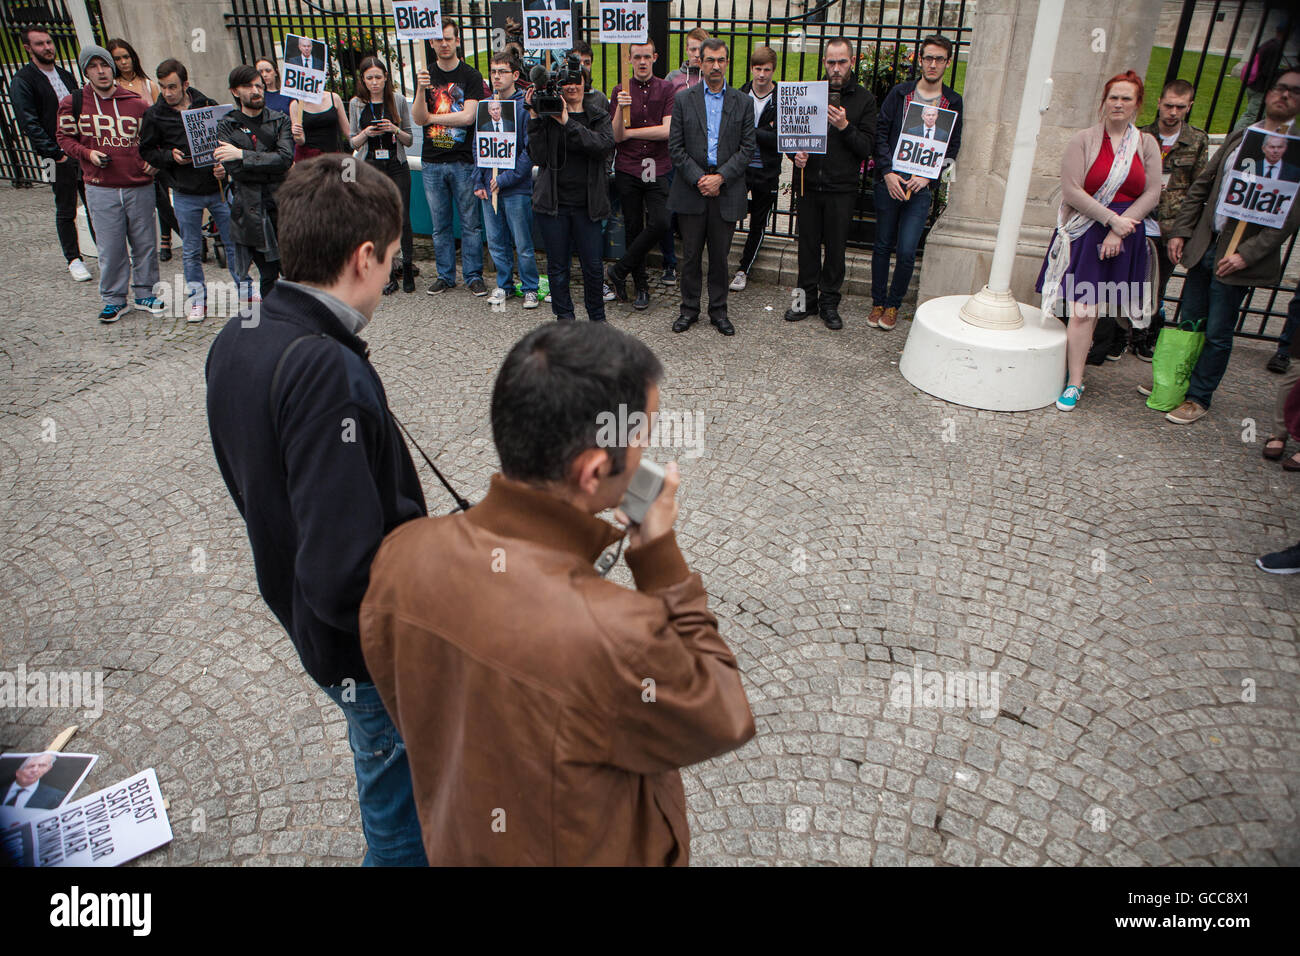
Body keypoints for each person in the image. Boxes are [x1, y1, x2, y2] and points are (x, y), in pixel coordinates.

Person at [359, 322, 756, 866]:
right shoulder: (616, 635)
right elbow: (724, 711)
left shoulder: (400, 555)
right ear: (593, 470)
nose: (645, 456)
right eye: (642, 438)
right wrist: (659, 557)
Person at [206, 154, 428, 867]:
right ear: (364, 256)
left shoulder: (241, 331)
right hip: (364, 654)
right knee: (402, 818)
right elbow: (344, 574)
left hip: (308, 623)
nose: (392, 276)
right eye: (392, 259)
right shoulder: (325, 369)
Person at [1163, 68, 1300, 425]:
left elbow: (1288, 218)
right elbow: (1202, 186)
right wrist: (1182, 231)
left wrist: (1246, 255)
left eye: (1295, 92)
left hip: (1237, 256)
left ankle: (1198, 396)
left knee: (1218, 331)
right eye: (1280, 88)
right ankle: (1174, 383)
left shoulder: (1296, 150)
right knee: (1189, 321)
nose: (1285, 95)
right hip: (1206, 244)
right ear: (1268, 93)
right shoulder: (1242, 136)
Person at [1036, 70, 1160, 412]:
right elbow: (1072, 190)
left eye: (1126, 98)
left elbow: (1152, 191)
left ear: (1137, 104)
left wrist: (1119, 229)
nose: (1118, 104)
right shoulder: (1084, 139)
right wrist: (1110, 221)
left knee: (1098, 310)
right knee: (1082, 310)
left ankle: (1074, 372)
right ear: (1103, 102)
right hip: (1086, 231)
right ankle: (1074, 382)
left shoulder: (1147, 144)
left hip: (1125, 234)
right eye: (1113, 97)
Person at [56, 44, 164, 324]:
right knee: (110, 246)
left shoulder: (137, 103)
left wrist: (155, 161)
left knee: (145, 243)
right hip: (100, 186)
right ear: (85, 71)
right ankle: (114, 299)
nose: (101, 71)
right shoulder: (73, 103)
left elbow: (156, 140)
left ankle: (146, 293)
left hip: (138, 184)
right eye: (93, 66)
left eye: (104, 64)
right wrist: (87, 154)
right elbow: (64, 139)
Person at [138, 57, 241, 323]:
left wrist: (224, 167)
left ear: (185, 84)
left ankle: (245, 291)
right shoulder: (154, 115)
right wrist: (169, 156)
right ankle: (198, 301)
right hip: (184, 191)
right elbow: (146, 150)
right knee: (192, 249)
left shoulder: (207, 105)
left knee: (234, 242)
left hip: (216, 186)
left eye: (172, 86)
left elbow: (226, 139)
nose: (168, 93)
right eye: (163, 87)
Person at [784, 38, 876, 331]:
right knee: (806, 248)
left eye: (842, 62)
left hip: (842, 187)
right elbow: (792, 133)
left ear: (852, 62)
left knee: (835, 250)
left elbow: (866, 148)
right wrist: (794, 154)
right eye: (831, 62)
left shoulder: (864, 100)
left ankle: (829, 304)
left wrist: (845, 128)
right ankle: (803, 302)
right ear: (824, 62)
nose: (836, 68)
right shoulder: (810, 93)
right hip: (809, 183)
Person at [870, 35, 961, 332]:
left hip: (920, 187)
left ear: (948, 63)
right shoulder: (900, 94)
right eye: (928, 58)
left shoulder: (952, 102)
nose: (933, 64)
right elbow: (880, 132)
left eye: (939, 59)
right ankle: (878, 301)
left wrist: (930, 176)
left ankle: (894, 304)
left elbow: (952, 147)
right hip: (892, 181)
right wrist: (886, 172)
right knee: (883, 243)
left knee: (907, 249)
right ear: (920, 60)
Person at [667, 39, 755, 337]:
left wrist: (721, 178)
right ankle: (689, 309)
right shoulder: (683, 100)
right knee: (690, 255)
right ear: (699, 63)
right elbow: (676, 148)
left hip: (726, 189)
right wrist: (699, 179)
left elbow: (747, 149)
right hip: (692, 188)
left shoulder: (742, 102)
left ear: (727, 62)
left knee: (720, 256)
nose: (715, 66)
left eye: (720, 60)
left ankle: (718, 310)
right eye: (709, 60)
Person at [527, 64, 614, 322]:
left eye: (577, 81)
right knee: (557, 267)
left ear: (585, 83)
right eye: (566, 82)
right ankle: (564, 318)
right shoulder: (546, 114)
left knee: (593, 267)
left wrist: (566, 122)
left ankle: (597, 319)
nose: (572, 86)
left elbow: (601, 146)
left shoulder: (598, 116)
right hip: (554, 205)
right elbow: (538, 157)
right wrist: (534, 117)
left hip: (588, 206)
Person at [9, 25, 92, 282]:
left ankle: (107, 249)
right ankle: (74, 258)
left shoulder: (66, 75)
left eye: (48, 42)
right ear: (28, 48)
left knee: (94, 202)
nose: (47, 47)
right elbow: (28, 122)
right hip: (55, 156)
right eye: (40, 44)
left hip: (80, 150)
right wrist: (55, 154)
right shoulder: (23, 80)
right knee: (65, 205)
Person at [1132, 79, 1208, 361]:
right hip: (1139, 219)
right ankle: (1120, 334)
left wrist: (1184, 231)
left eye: (1180, 107)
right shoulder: (1140, 135)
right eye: (1168, 105)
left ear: (1189, 106)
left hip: (1170, 226)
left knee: (1157, 284)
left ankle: (1144, 336)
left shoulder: (1196, 140)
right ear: (1159, 103)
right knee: (1128, 279)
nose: (1173, 112)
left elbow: (1199, 188)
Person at [414, 19, 486, 297]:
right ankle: (445, 275)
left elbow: (468, 117)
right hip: (432, 161)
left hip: (462, 160)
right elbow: (417, 117)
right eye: (438, 40)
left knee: (470, 223)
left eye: (448, 39)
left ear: (457, 41)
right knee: (439, 225)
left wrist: (432, 117)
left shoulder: (470, 76)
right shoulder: (425, 76)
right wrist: (421, 90)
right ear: (431, 43)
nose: (444, 44)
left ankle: (473, 275)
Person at [213, 66, 294, 299]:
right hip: (251, 210)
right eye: (249, 86)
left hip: (282, 205)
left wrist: (242, 155)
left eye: (259, 85)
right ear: (235, 91)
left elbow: (285, 159)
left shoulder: (280, 120)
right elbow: (236, 171)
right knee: (268, 274)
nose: (256, 90)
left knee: (294, 271)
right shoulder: (227, 125)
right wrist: (267, 163)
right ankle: (271, 325)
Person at [605, 38, 674, 312]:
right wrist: (621, 110)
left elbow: (666, 131)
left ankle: (619, 270)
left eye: (647, 56)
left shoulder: (666, 88)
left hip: (657, 166)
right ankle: (641, 286)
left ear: (655, 57)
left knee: (661, 221)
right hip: (629, 167)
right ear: (630, 60)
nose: (642, 62)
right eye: (637, 57)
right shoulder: (620, 90)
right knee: (633, 228)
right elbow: (615, 137)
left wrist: (631, 132)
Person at [473, 53, 540, 309]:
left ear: (515, 75)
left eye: (502, 71)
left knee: (522, 242)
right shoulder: (485, 106)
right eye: (493, 71)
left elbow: (528, 149)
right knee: (496, 240)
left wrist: (507, 179)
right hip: (489, 187)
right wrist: (479, 181)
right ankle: (504, 285)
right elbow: (478, 147)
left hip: (515, 187)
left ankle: (530, 287)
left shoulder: (523, 106)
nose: (497, 76)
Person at [108, 37, 180, 265]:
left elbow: (163, 113)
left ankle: (168, 238)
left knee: (165, 196)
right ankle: (167, 240)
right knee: (152, 197)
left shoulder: (149, 85)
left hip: (156, 145)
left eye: (126, 57)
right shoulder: (113, 87)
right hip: (130, 149)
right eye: (117, 58)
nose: (123, 62)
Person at [348, 56, 417, 294]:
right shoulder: (356, 104)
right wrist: (367, 132)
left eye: (378, 77)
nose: (374, 82)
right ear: (363, 80)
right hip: (371, 166)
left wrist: (393, 128)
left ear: (386, 78)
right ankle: (386, 272)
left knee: (402, 218)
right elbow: (353, 142)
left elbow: (409, 140)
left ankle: (407, 266)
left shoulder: (397, 100)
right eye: (369, 78)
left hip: (396, 164)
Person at [729, 46, 781, 293]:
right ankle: (721, 261)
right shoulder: (740, 94)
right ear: (751, 69)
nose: (762, 75)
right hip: (741, 167)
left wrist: (753, 132)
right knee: (730, 213)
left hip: (767, 170)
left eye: (767, 70)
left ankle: (743, 269)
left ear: (773, 70)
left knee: (758, 223)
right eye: (758, 69)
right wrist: (766, 130)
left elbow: (781, 138)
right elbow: (733, 132)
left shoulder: (782, 98)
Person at [1233, 19, 1291, 132]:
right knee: (1252, 116)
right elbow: (1268, 71)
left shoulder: (1269, 44)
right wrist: (1284, 73)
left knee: (1259, 116)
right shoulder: (1275, 47)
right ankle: (1233, 138)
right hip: (1260, 88)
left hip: (1254, 85)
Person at [289, 87, 350, 161]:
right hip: (308, 159)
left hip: (332, 156)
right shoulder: (296, 104)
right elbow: (300, 140)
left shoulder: (334, 98)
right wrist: (297, 133)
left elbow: (348, 133)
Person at [569, 39, 609, 114]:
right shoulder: (561, 98)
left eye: (587, 63)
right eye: (578, 62)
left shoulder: (600, 99)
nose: (582, 67)